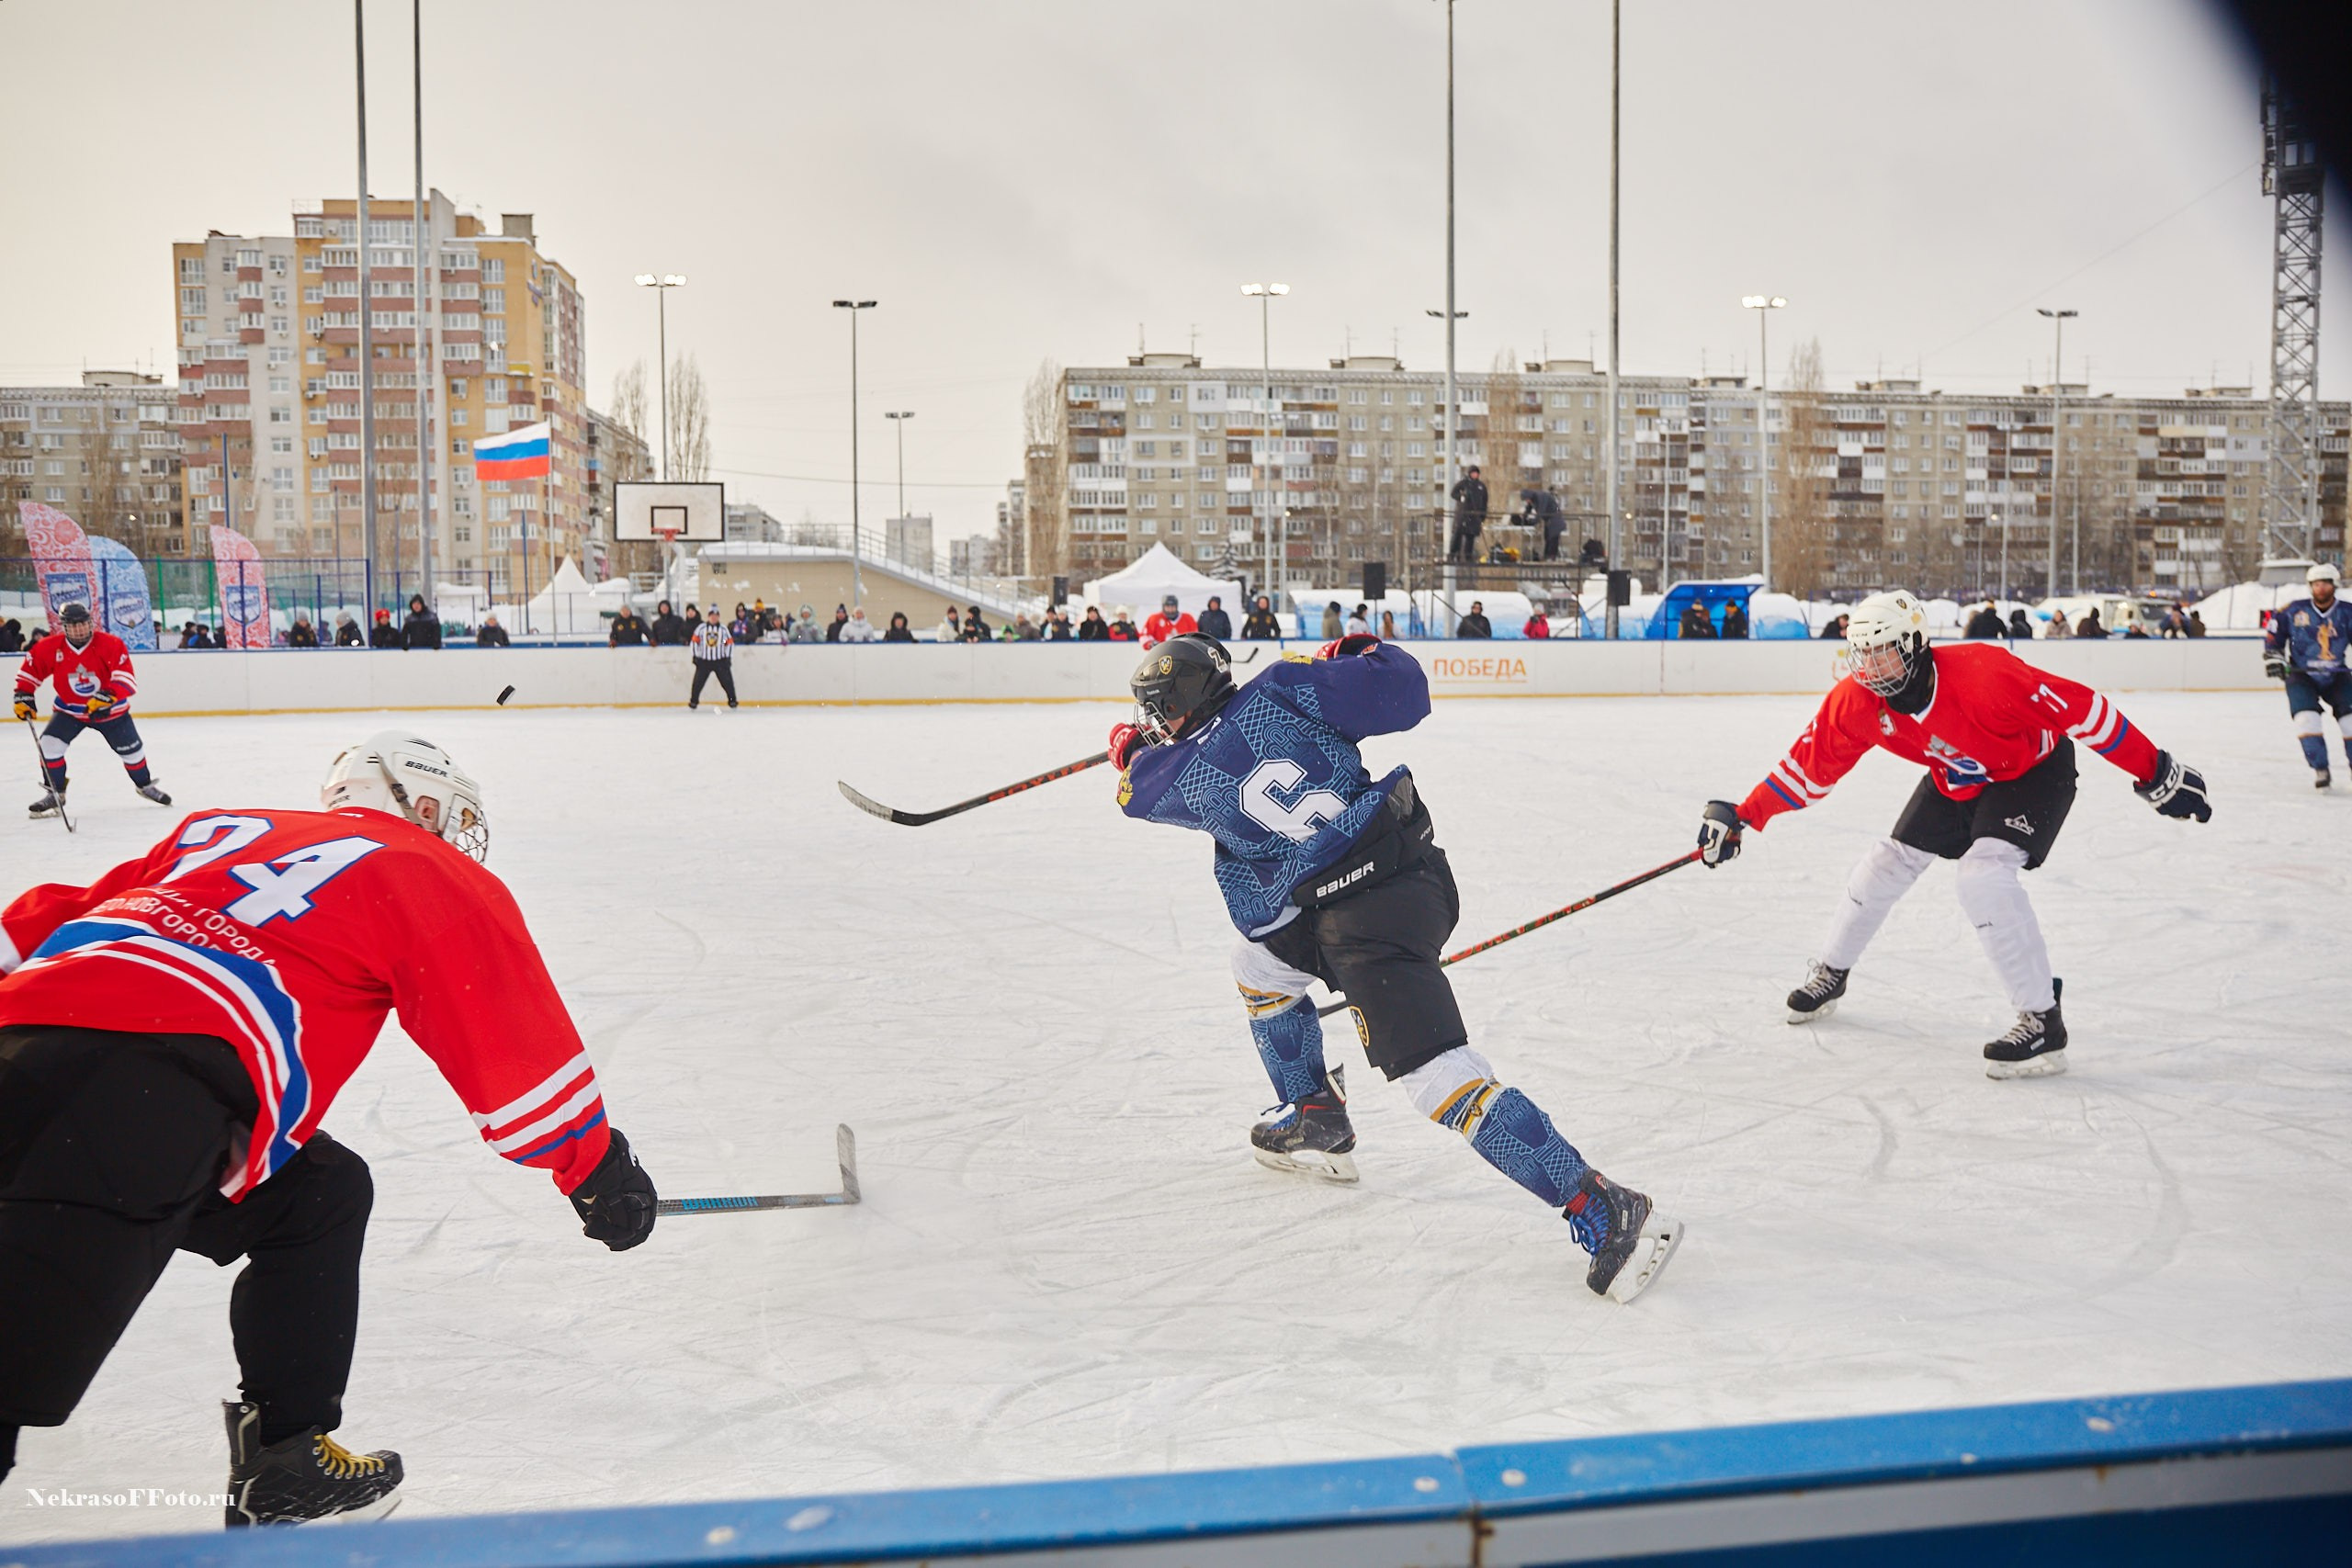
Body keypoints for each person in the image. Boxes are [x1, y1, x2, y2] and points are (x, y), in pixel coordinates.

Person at [0, 730, 657, 1522]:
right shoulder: (422, 864)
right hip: (137, 1100)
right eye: (446, 815)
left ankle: (285, 1456)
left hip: (36, 1046)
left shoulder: (225, 828)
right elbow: (513, 1051)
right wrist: (600, 1172)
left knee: (318, 1192)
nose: (453, 836)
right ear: (418, 802)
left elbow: (49, 919)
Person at [1106, 635, 1681, 1303]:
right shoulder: (1286, 686)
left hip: (1365, 924)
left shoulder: (1175, 775)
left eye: (1158, 712)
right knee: (1259, 965)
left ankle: (1602, 1204)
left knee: (1439, 1080)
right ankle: (1315, 1112)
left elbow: (1131, 791)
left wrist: (1131, 748)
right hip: (1399, 881)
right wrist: (1357, 650)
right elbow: (1405, 689)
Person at [1694, 589, 2211, 1078]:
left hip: (2033, 772)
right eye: (1863, 656)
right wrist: (1743, 815)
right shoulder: (1857, 702)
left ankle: (2042, 1022)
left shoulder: (1986, 675)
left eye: (1885, 655)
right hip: (1957, 774)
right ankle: (1832, 972)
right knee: (1883, 865)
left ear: (1917, 646)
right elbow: (1809, 769)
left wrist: (2155, 769)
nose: (1873, 670)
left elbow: (2083, 710)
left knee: (1982, 877)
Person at [12, 601, 174, 817]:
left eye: (83, 624)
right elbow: (30, 673)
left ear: (90, 623)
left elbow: (125, 676)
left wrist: (108, 695)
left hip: (111, 712)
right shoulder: (49, 647)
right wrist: (23, 695)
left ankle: (144, 786)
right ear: (64, 627)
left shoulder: (110, 644)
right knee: (48, 745)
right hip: (70, 712)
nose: (79, 629)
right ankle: (55, 793)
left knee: (133, 753)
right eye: (72, 625)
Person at [2262, 560, 2351, 788]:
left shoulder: (2347, 612)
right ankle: (2320, 768)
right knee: (2306, 720)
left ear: (2334, 585)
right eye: (2316, 584)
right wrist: (2275, 658)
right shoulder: (2292, 610)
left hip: (2337, 675)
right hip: (2301, 675)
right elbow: (2273, 638)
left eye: (2325, 584)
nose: (2320, 588)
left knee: (2350, 722)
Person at [687, 608, 737, 709]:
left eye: (715, 615)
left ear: (718, 617)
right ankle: (694, 702)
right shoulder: (701, 628)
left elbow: (728, 643)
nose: (713, 617)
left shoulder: (723, 629)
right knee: (697, 683)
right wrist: (695, 655)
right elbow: (694, 642)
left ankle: (732, 701)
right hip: (704, 661)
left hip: (720, 661)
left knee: (727, 682)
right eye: (711, 615)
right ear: (708, 616)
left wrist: (728, 656)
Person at [1447, 464, 1487, 563]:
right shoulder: (1463, 483)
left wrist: (1482, 515)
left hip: (1474, 516)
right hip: (1462, 514)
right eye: (1473, 473)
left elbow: (1485, 501)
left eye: (1476, 473)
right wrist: (1462, 496)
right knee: (1457, 535)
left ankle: (1468, 556)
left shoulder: (1481, 486)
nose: (1475, 475)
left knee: (1471, 537)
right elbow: (1453, 493)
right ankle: (1453, 554)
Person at [1520, 488, 1566, 560]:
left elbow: (1541, 512)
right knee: (1547, 537)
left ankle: (1551, 556)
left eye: (1527, 499)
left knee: (1553, 538)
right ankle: (1547, 556)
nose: (1527, 501)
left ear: (1529, 496)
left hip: (1555, 518)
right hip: (1549, 520)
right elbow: (1528, 509)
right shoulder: (1533, 499)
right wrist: (1524, 517)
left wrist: (1533, 521)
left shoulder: (1540, 497)